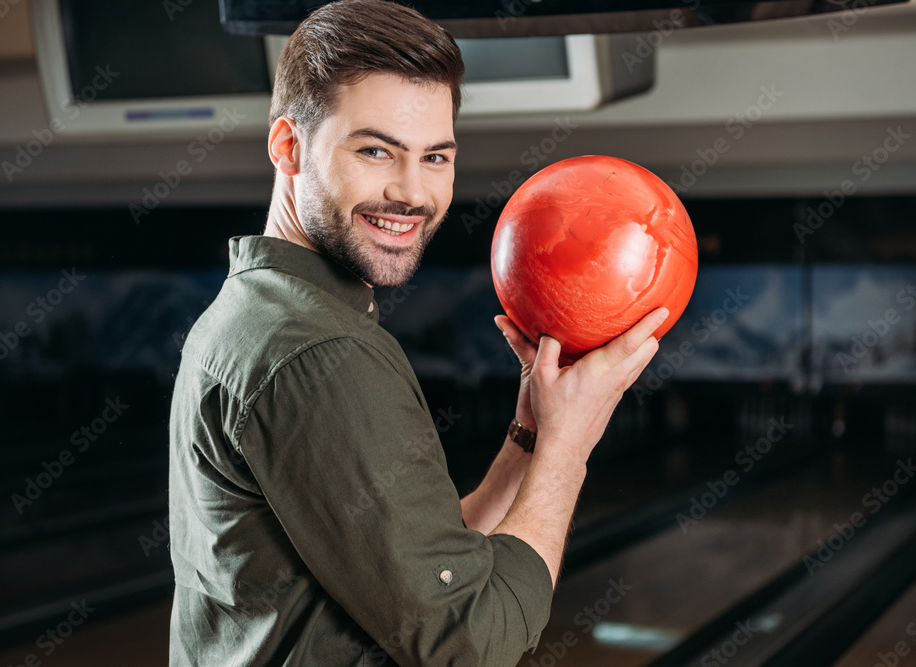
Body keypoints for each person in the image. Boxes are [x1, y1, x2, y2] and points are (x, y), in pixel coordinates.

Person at [167, 1, 666, 664]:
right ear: (288, 147)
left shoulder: (255, 308)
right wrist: (569, 451)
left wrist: (532, 439)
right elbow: (470, 641)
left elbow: (421, 567)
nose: (411, 192)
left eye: (435, 157)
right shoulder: (320, 350)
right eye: (376, 150)